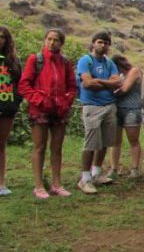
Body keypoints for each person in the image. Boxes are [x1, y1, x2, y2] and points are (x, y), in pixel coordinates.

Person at [19, 28, 76, 198]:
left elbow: (72, 86)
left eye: (56, 40)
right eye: (49, 39)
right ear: (45, 40)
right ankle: (38, 186)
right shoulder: (35, 59)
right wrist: (39, 100)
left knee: (57, 148)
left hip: (60, 110)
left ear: (61, 43)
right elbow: (24, 85)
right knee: (40, 146)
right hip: (40, 110)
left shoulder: (66, 62)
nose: (52, 43)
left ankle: (57, 184)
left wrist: (66, 101)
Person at [75, 31, 121, 194]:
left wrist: (99, 81)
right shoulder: (85, 61)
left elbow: (117, 83)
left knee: (104, 142)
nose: (103, 45)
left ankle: (96, 173)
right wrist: (108, 83)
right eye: (100, 42)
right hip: (92, 106)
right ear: (93, 43)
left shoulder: (110, 63)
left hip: (109, 106)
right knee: (91, 142)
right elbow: (87, 83)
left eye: (106, 43)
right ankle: (85, 178)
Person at [109, 54, 143, 179]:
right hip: (118, 109)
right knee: (115, 141)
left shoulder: (134, 71)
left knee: (133, 140)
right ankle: (113, 169)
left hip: (132, 109)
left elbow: (124, 89)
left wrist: (107, 92)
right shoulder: (120, 75)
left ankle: (134, 168)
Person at [0, 26, 23, 196]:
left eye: (2, 37)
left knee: (1, 145)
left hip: (7, 108)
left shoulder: (13, 61)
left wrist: (15, 103)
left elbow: (20, 85)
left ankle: (1, 183)